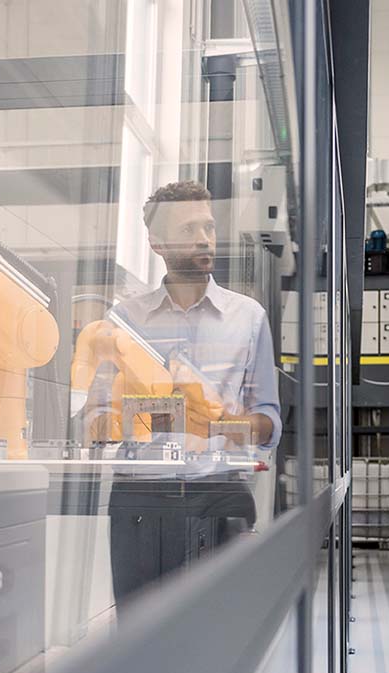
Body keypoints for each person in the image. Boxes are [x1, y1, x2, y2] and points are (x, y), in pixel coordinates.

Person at [80, 180, 282, 613]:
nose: (205, 238)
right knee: (139, 641)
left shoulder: (248, 318)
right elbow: (95, 418)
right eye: (190, 229)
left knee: (224, 645)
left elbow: (268, 422)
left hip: (220, 492)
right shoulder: (124, 320)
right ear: (157, 242)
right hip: (140, 500)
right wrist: (111, 416)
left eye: (208, 226)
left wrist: (220, 422)